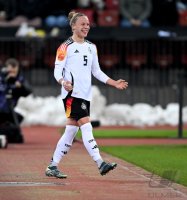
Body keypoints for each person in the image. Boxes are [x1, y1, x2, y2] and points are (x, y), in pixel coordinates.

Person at [45, 11, 128, 179]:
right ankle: (100, 163)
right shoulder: (65, 47)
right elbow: (56, 71)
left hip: (85, 95)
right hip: (71, 95)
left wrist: (114, 82)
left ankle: (52, 166)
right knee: (86, 125)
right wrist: (63, 82)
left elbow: (96, 71)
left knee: (70, 130)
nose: (86, 27)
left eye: (88, 24)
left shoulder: (91, 47)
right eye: (82, 24)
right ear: (73, 26)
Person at [0, 58, 32, 125]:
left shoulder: (19, 80)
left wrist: (20, 86)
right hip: (2, 110)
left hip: (8, 111)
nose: (12, 74)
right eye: (10, 71)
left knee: (18, 119)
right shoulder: (1, 78)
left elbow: (28, 91)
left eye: (14, 72)